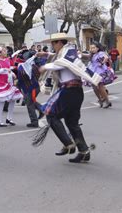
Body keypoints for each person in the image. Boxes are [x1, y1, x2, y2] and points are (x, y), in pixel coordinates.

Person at [36, 33, 93, 163]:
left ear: (60, 42)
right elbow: (56, 59)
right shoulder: (64, 53)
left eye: (53, 43)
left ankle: (68, 144)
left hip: (70, 91)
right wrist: (45, 57)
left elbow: (62, 63)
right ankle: (84, 151)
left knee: (51, 115)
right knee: (72, 123)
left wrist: (45, 66)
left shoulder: (68, 53)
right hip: (74, 91)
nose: (52, 46)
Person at [83, 42, 115, 108]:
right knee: (94, 87)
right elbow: (87, 56)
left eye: (93, 48)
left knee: (100, 86)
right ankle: (100, 100)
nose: (92, 49)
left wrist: (102, 63)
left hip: (99, 71)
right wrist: (80, 54)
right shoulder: (92, 54)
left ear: (97, 48)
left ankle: (107, 101)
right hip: (92, 71)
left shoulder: (100, 53)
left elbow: (106, 58)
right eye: (91, 48)